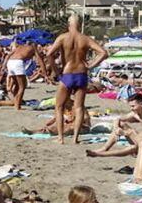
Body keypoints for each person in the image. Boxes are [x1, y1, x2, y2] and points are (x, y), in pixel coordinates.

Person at [44, 15, 107, 144]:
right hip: (81, 74)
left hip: (67, 73)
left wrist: (56, 70)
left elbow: (49, 54)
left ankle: (61, 138)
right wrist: (90, 65)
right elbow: (103, 52)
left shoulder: (63, 37)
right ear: (79, 24)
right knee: (79, 107)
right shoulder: (85, 39)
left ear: (68, 23)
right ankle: (75, 138)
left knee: (59, 106)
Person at [86, 93, 142, 158]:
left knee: (131, 135)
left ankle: (100, 154)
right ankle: (104, 148)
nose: (131, 108)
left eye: (133, 106)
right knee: (121, 124)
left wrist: (126, 133)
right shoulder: (135, 114)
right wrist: (117, 128)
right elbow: (118, 119)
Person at [0, 39, 39, 110]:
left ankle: (16, 102)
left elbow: (8, 55)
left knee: (17, 85)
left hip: (10, 62)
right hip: (18, 62)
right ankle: (17, 106)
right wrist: (45, 74)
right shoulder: (33, 47)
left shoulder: (19, 47)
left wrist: (4, 66)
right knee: (22, 86)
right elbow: (40, 59)